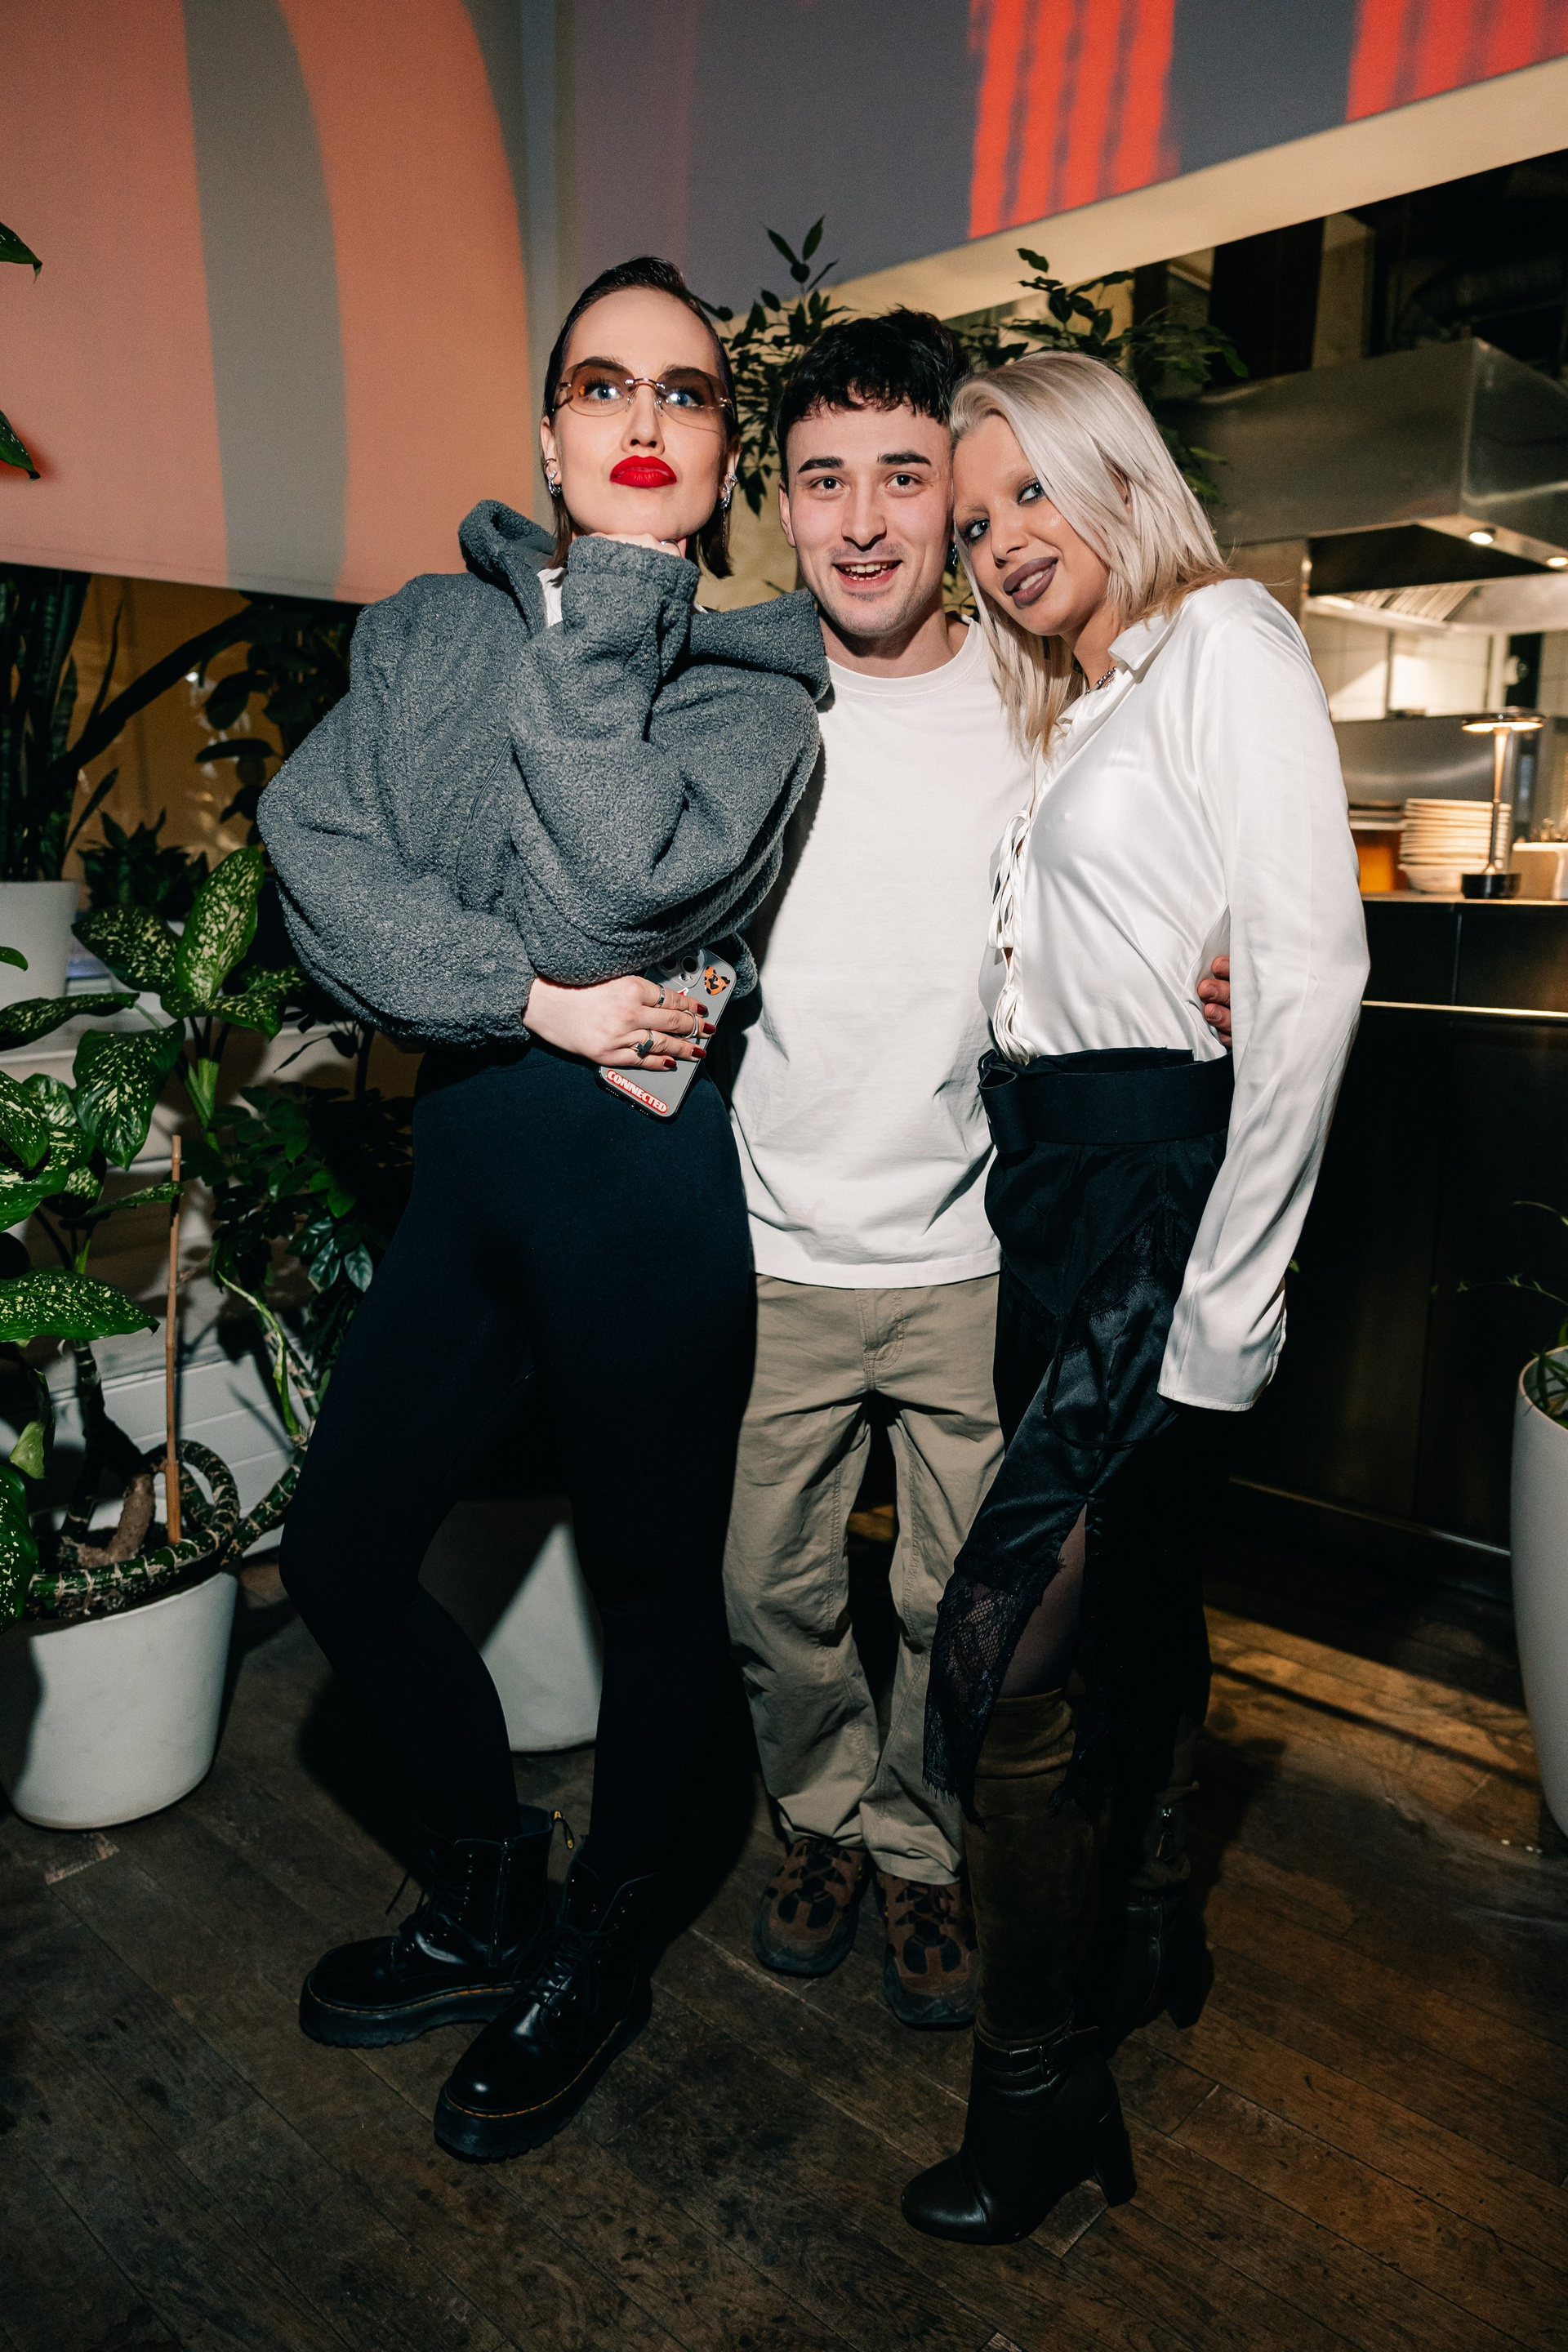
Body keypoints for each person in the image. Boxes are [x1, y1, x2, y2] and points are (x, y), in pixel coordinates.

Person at [256, 256, 826, 2163]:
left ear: (723, 456)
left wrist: (629, 606)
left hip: (639, 1188)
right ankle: (488, 1879)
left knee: (654, 1594)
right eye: (606, 385)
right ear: (549, 428)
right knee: (342, 1553)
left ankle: (602, 1942)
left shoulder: (755, 692)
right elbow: (313, 854)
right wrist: (530, 1000)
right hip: (475, 1160)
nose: (644, 418)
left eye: (686, 393)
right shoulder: (430, 628)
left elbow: (614, 890)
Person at [900, 351, 1367, 2244]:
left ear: (1115, 471)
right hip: (1061, 1199)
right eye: (978, 518)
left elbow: (1311, 973)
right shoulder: (1084, 709)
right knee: (1140, 1596)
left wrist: (1223, 1315)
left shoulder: (1224, 641)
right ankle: (1154, 1919)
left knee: (999, 1640)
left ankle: (1037, 2093)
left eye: (1031, 490)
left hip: (1162, 1205)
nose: (1004, 539)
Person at [720, 314, 1235, 2028]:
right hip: (774, 1250)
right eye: (822, 480)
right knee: (771, 1589)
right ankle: (822, 1818)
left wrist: (1236, 938)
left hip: (969, 1259)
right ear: (779, 501)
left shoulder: (1033, 696)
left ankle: (925, 1848)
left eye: (903, 476)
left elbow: (1156, 845)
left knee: (966, 1607)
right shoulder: (737, 697)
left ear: (955, 495)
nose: (865, 520)